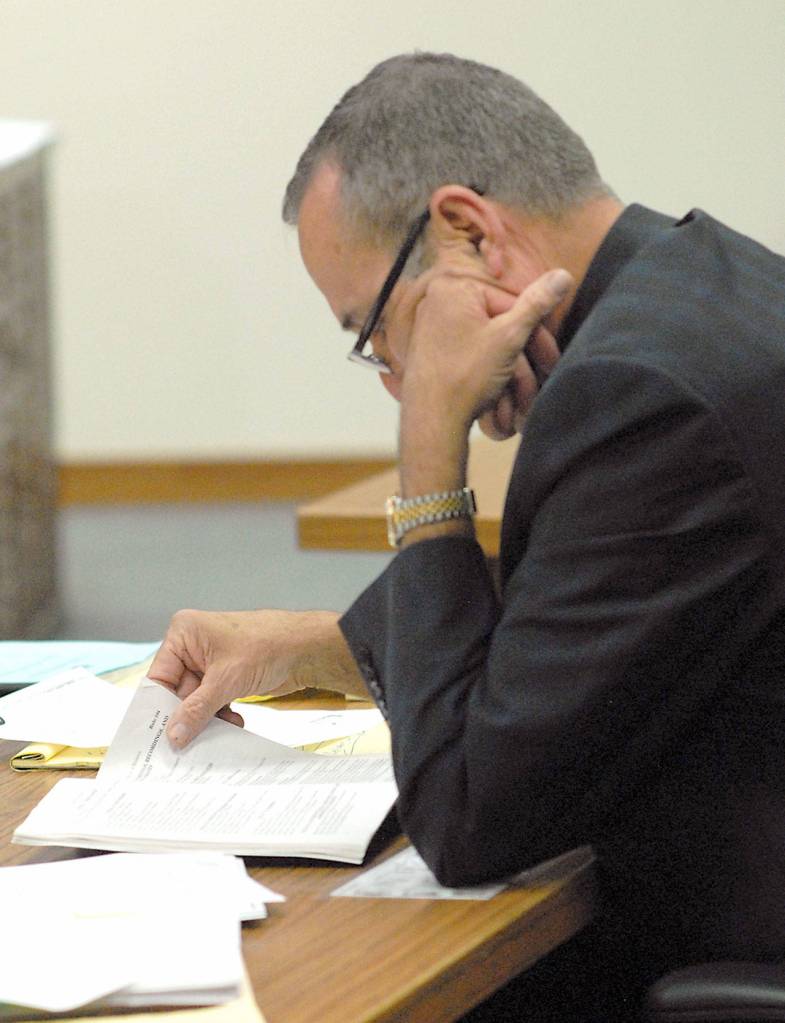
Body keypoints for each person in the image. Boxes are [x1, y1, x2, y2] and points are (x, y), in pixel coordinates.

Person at [149, 53, 785, 1021]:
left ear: (465, 231)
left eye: (375, 331)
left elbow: (470, 818)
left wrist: (427, 453)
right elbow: (602, 610)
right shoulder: (707, 287)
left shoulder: (638, 393)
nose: (395, 376)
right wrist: (322, 645)